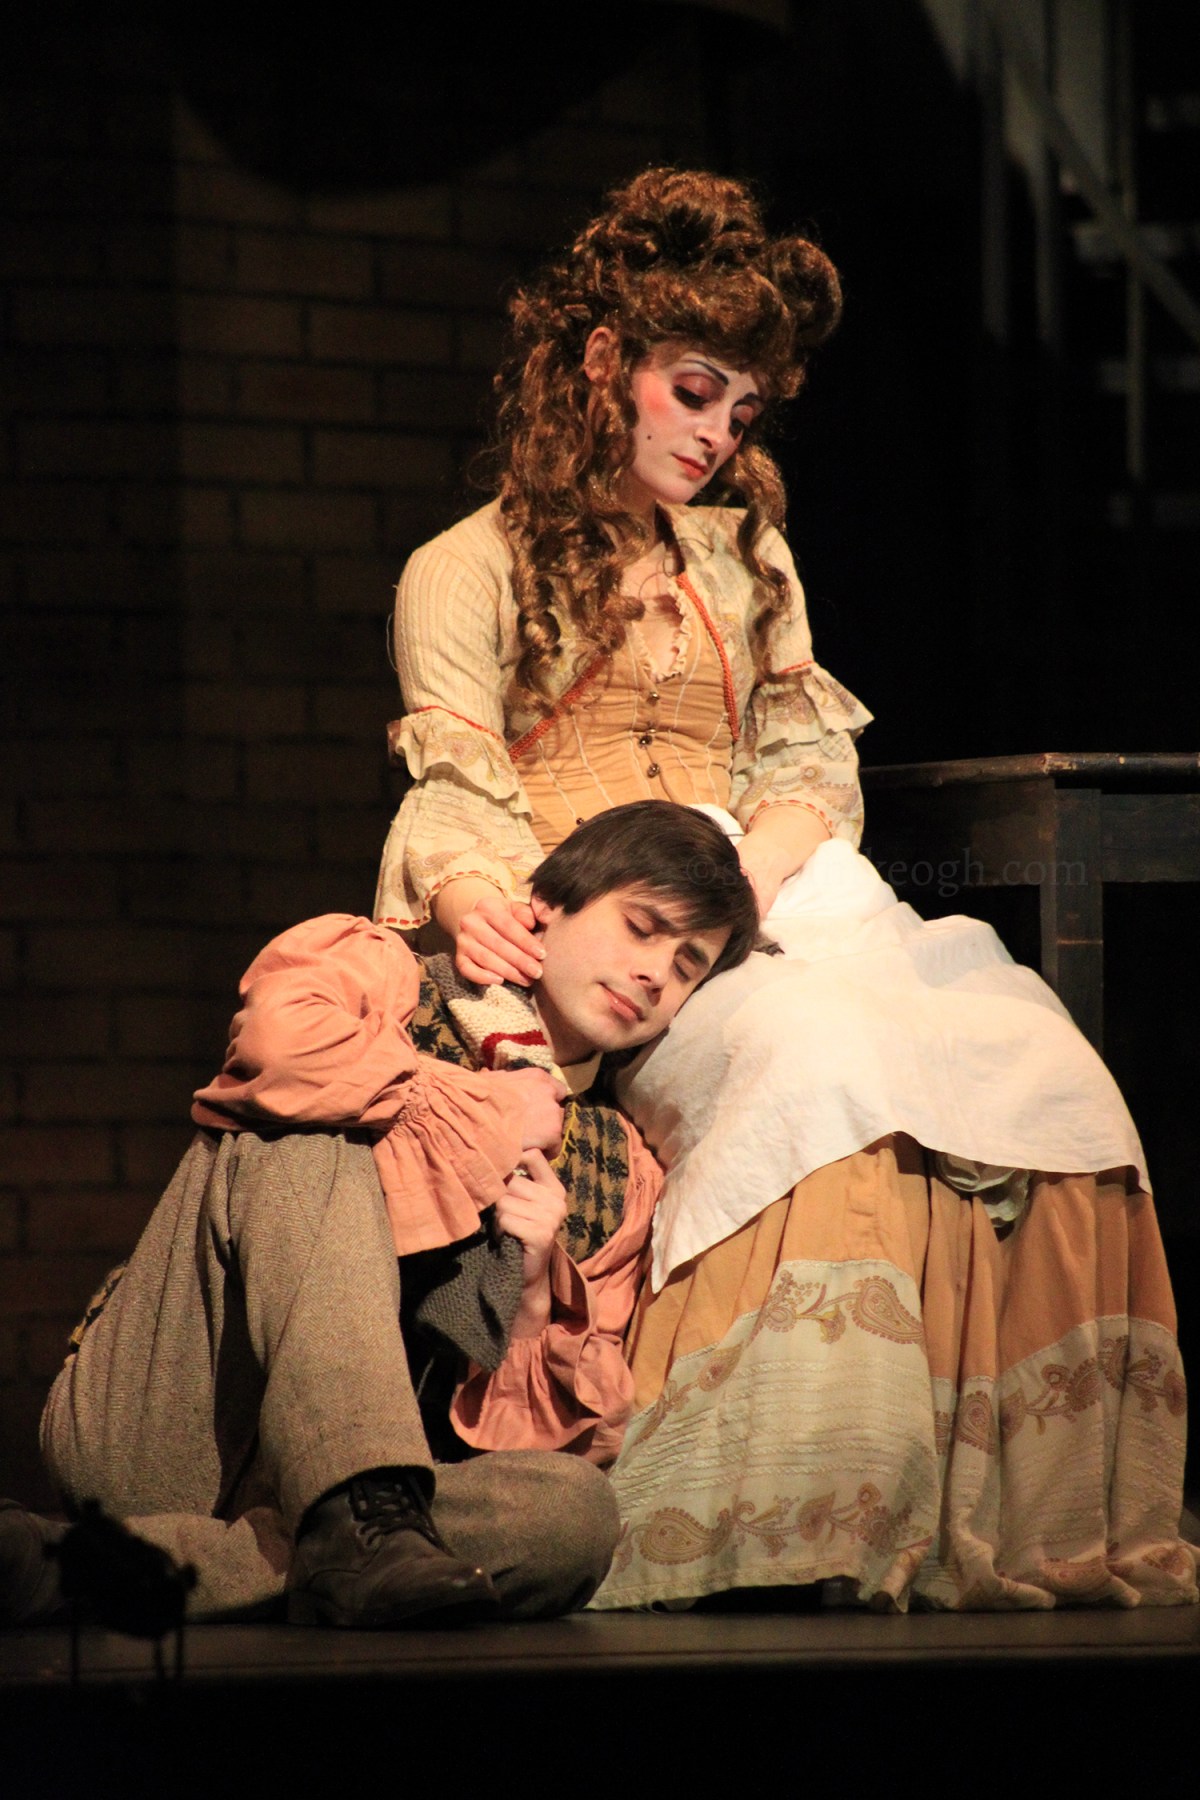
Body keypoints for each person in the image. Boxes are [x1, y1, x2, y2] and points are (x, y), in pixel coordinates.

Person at [374, 167, 1198, 1612]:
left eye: (742, 412)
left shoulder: (745, 557)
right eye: (694, 392)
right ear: (601, 364)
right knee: (821, 1056)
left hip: (758, 887)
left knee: (1035, 1058)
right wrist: (469, 896)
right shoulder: (467, 566)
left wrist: (744, 881)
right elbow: (456, 782)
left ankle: (1022, 1507)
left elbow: (809, 756)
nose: (716, 434)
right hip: (599, 918)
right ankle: (799, 1506)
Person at [2, 802, 758, 1629]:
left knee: (574, 1514)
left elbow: (552, 1442)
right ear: (546, 902)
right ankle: (328, 1536)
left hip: (383, 1521)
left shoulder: (617, 1172)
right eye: (641, 928)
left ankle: (77, 1567)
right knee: (313, 1130)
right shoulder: (385, 976)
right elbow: (276, 1055)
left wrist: (535, 1295)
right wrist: (491, 1113)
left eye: (686, 966)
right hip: (172, 1430)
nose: (655, 974)